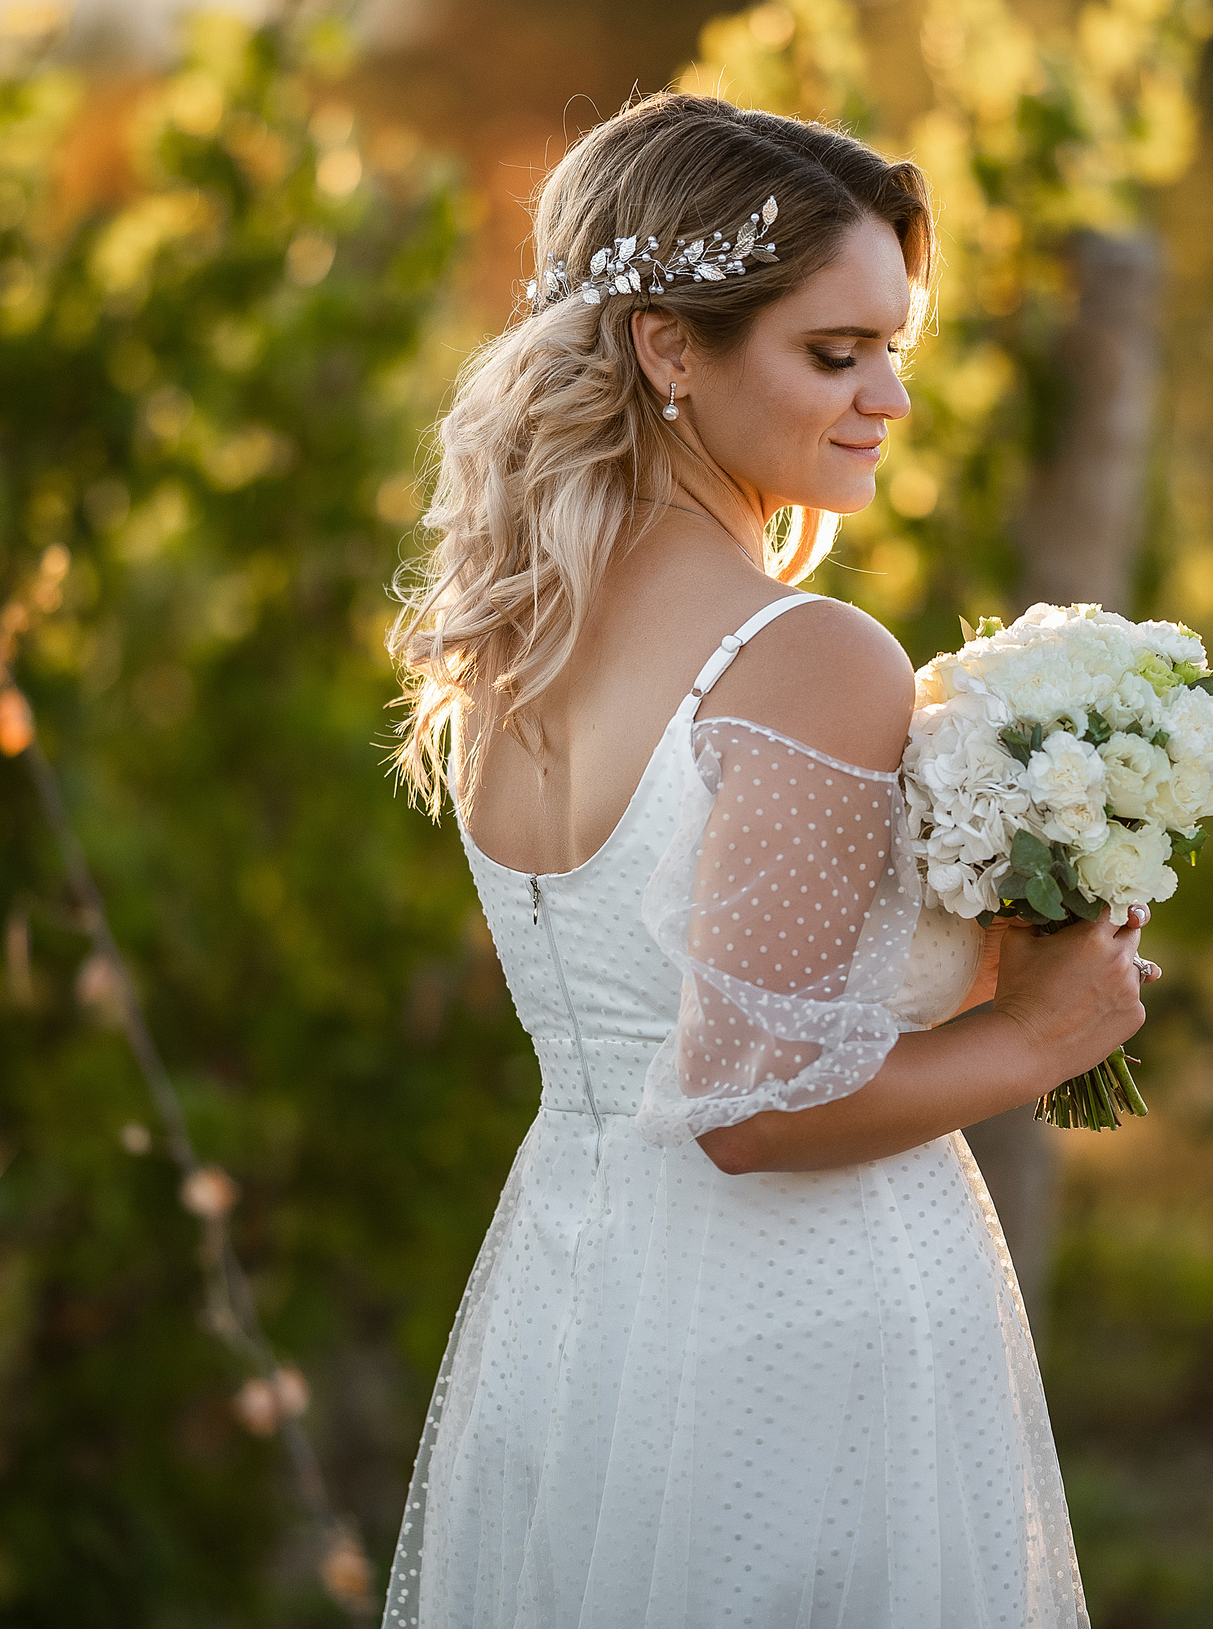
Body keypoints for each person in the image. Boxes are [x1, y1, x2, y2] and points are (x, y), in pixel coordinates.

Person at [381, 91, 1155, 1627]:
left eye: (894, 351)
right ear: (673, 347)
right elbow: (748, 1104)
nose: (887, 399)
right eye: (832, 352)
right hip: (792, 1331)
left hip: (577, 1304)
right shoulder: (802, 654)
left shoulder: (513, 645)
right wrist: (1037, 1035)